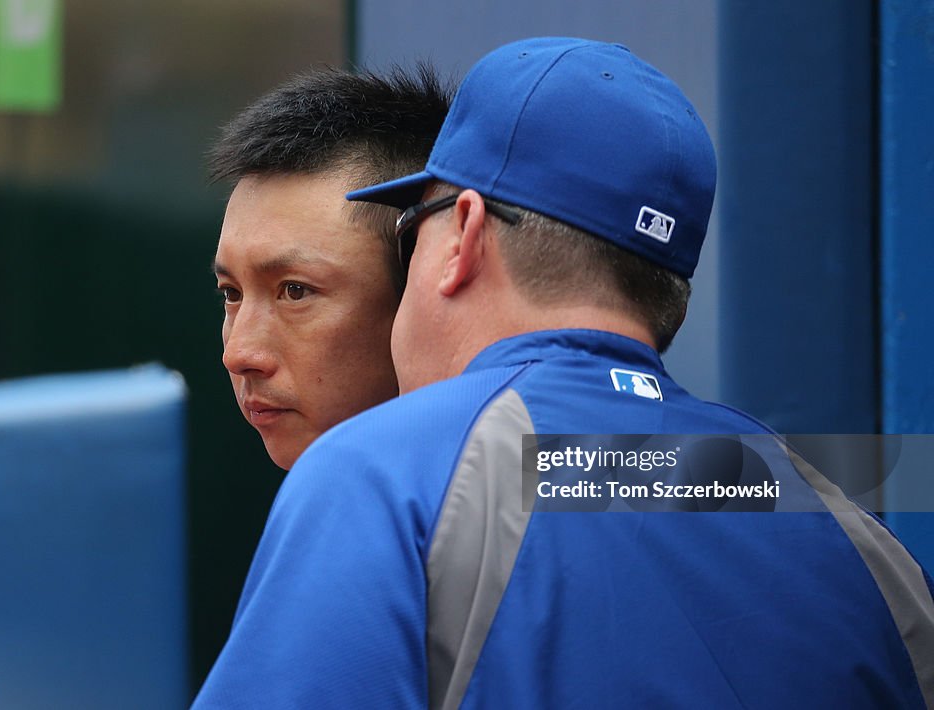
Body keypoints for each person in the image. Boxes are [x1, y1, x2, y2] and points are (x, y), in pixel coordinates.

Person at [194, 38, 934, 708]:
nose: (240, 348)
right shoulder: (845, 523)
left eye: (415, 228)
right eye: (231, 296)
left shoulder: (381, 480)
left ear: (465, 238)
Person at [209, 66, 451, 469]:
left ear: (423, 287)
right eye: (231, 294)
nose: (237, 355)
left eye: (295, 291)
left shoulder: (563, 470)